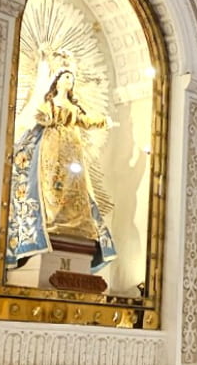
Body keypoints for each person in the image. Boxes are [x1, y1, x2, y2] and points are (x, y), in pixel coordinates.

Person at [6, 69, 117, 272]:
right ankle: (51, 223)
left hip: (72, 151)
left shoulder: (74, 108)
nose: (69, 81)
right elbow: (39, 116)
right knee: (51, 185)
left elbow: (86, 121)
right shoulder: (49, 103)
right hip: (52, 148)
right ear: (56, 82)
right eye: (66, 77)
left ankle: (75, 226)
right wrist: (46, 116)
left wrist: (104, 121)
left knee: (74, 187)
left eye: (71, 79)